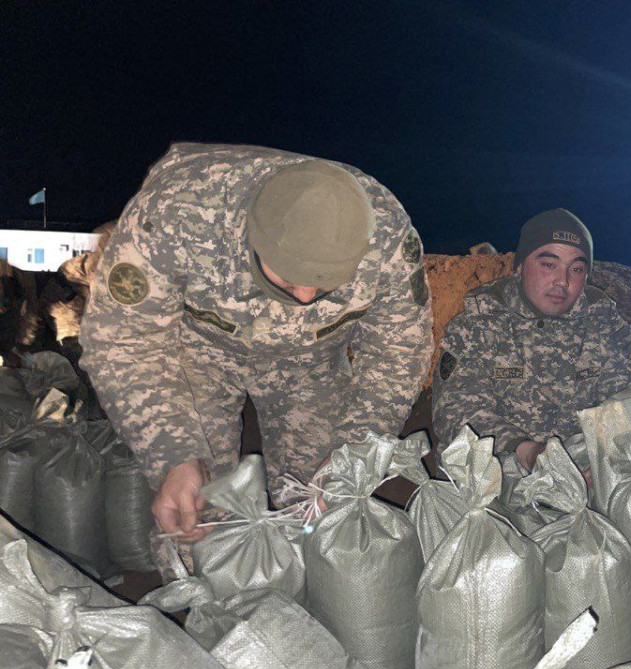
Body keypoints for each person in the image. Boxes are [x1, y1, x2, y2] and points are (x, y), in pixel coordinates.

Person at [80, 143, 433, 544]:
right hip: (199, 355)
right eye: (286, 278)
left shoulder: (386, 238)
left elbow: (398, 352)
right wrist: (172, 452)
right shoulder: (177, 211)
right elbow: (123, 340)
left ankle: (301, 593)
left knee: (322, 502)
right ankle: (206, 599)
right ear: (253, 239)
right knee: (196, 506)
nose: (304, 297)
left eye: (324, 284)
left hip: (311, 363)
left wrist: (355, 451)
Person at [433, 208, 631, 471]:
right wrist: (523, 449)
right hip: (492, 480)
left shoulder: (605, 328)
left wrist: (597, 467)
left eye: (576, 269)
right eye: (549, 265)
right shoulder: (477, 326)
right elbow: (454, 412)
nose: (562, 282)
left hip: (583, 476)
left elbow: (627, 407)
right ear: (520, 267)